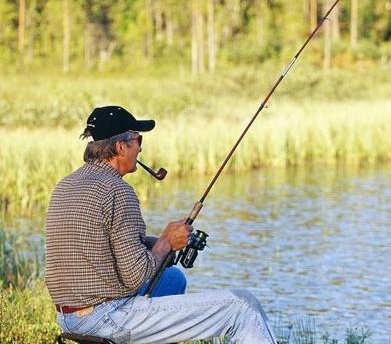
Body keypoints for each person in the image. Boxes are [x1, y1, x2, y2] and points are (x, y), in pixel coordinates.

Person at [45, 105, 278, 344]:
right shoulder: (118, 191)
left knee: (173, 279)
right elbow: (137, 276)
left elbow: (98, 240)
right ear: (120, 147)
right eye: (138, 139)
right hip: (106, 318)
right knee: (242, 305)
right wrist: (166, 242)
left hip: (69, 317)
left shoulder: (66, 184)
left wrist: (152, 243)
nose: (141, 147)